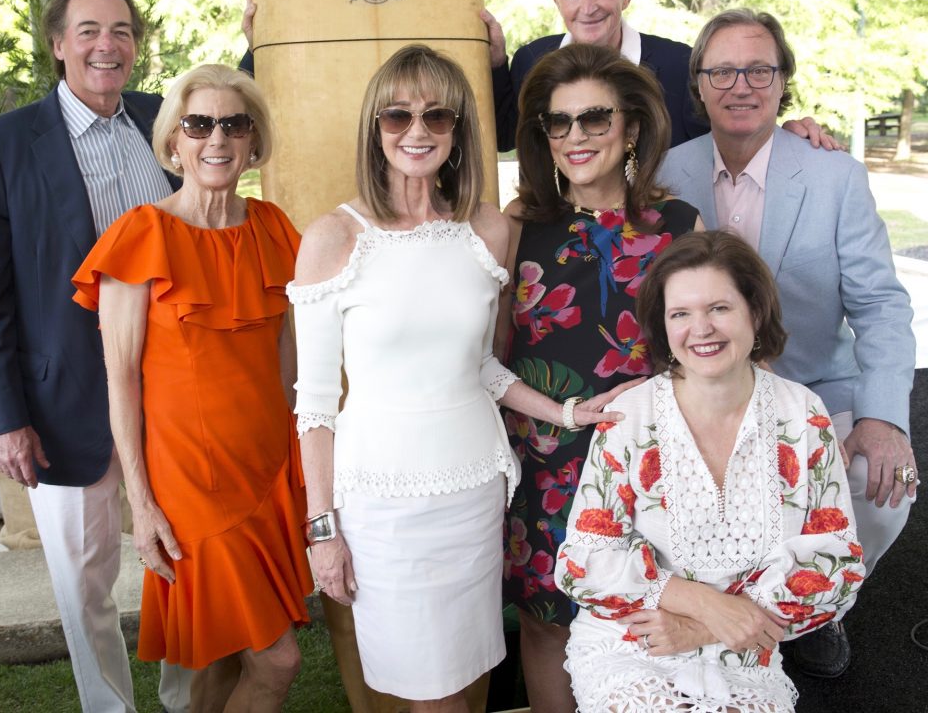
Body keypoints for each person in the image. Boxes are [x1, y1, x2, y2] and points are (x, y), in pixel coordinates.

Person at [289, 44, 633, 712]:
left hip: (475, 495)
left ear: (459, 130)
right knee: (426, 694)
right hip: (383, 504)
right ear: (374, 126)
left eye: (437, 115)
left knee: (470, 683)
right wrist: (322, 529)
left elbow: (480, 366)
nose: (417, 132)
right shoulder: (333, 237)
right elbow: (315, 406)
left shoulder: (488, 229)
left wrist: (565, 414)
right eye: (397, 115)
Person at [0, 0, 190, 713]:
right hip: (63, 405)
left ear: (137, 46)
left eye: (121, 31)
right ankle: (108, 707)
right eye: (88, 30)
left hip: (175, 396)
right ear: (58, 45)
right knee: (84, 584)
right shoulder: (4, 146)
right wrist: (2, 418)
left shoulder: (167, 124)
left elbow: (233, 140)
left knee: (179, 566)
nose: (105, 45)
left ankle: (187, 701)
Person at [658, 8, 917, 678]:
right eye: (722, 70)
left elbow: (881, 306)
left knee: (879, 482)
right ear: (699, 84)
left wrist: (884, 419)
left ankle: (816, 611)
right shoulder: (663, 174)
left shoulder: (834, 175)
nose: (740, 84)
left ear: (782, 82)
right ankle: (723, 606)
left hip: (813, 387)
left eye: (759, 69)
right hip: (702, 397)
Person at [72, 64, 312, 710]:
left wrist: (307, 467)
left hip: (268, 473)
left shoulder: (274, 229)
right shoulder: (140, 235)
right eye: (199, 123)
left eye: (235, 124)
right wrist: (141, 504)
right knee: (278, 660)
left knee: (218, 663)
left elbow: (289, 365)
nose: (218, 139)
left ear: (254, 140)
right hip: (192, 488)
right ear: (173, 141)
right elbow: (119, 382)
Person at [558, 229, 865, 712]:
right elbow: (583, 564)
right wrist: (700, 603)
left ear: (755, 312)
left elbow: (837, 563)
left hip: (747, 646)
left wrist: (705, 628)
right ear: (663, 326)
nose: (700, 329)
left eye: (719, 308)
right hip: (636, 640)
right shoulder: (629, 418)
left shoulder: (804, 414)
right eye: (681, 313)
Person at [497, 42, 701, 712]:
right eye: (560, 122)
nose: (576, 136)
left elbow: (710, 352)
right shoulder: (515, 229)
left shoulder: (679, 228)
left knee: (649, 620)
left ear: (632, 126)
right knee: (547, 621)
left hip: (655, 467)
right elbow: (490, 361)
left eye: (595, 118)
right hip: (546, 460)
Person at [482, 0, 836, 153]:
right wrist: (497, 64)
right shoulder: (532, 59)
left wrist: (787, 134)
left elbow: (730, 140)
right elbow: (503, 139)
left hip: (661, 242)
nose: (587, 6)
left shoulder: (679, 64)